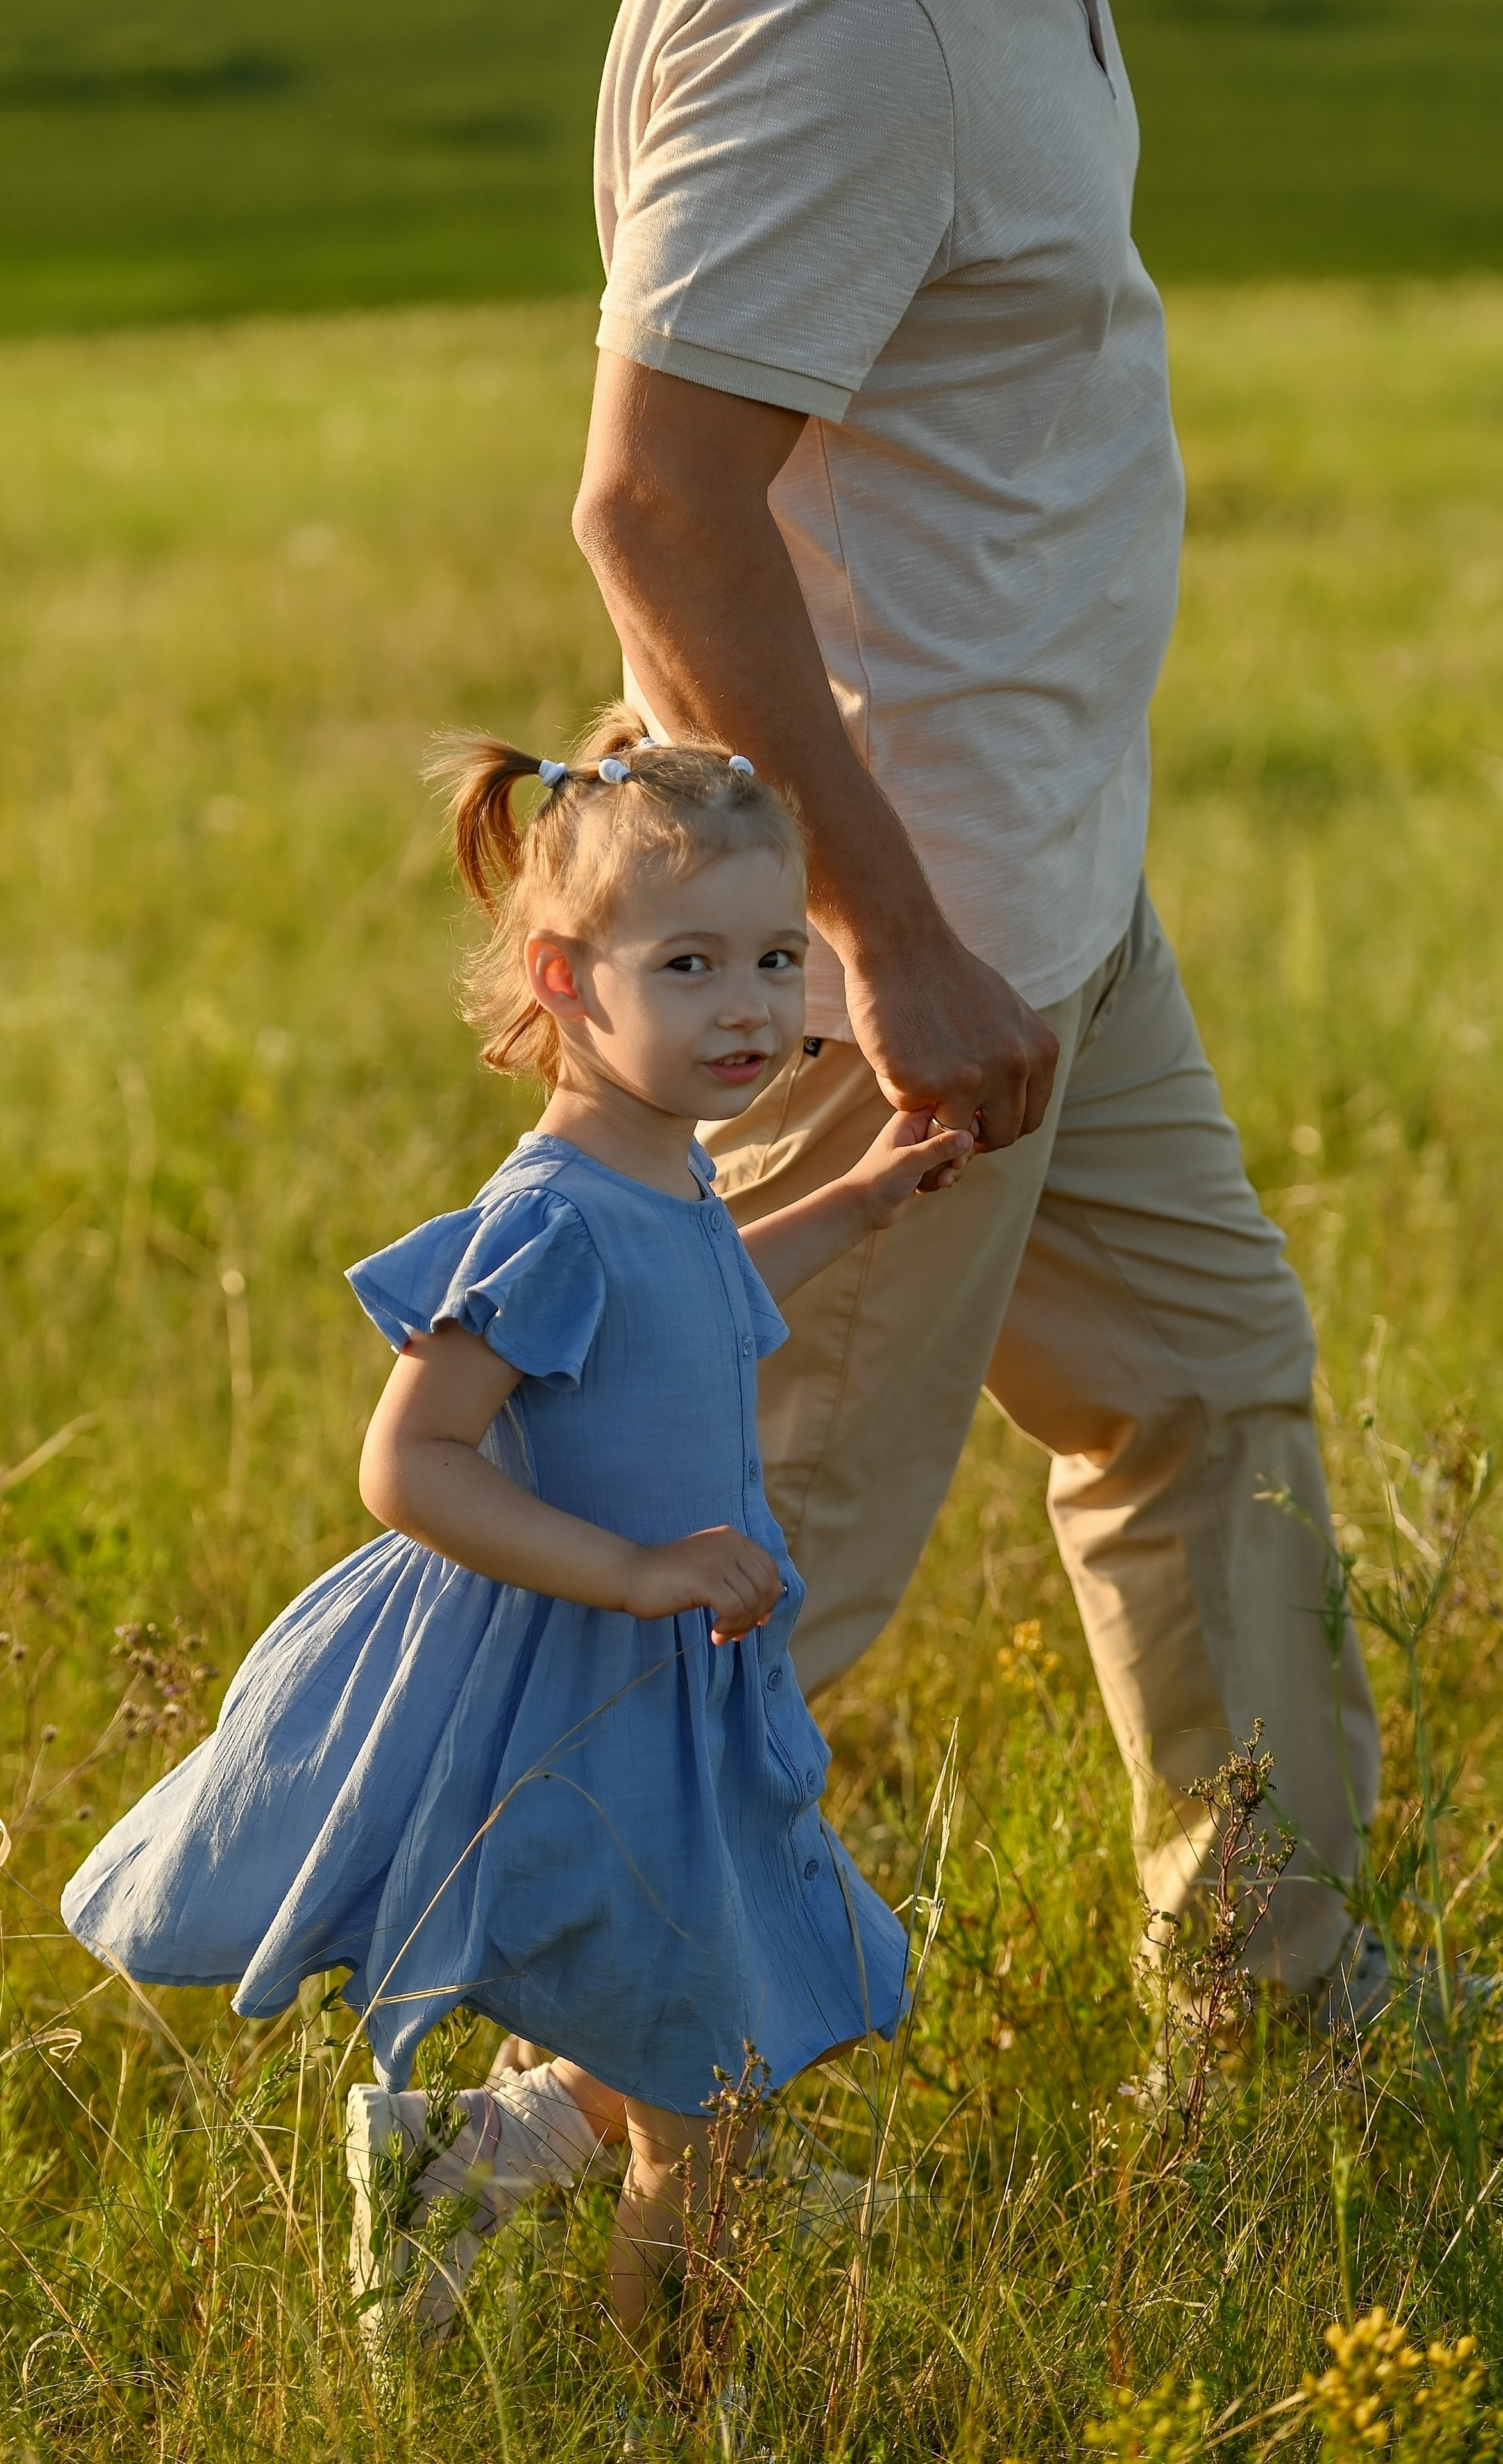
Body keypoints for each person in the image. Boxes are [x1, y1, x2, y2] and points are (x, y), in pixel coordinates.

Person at [570, 0, 1382, 2007]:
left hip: (1045, 904)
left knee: (1202, 1390)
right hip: (886, 968)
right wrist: (880, 933)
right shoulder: (859, 26)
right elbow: (658, 499)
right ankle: (501, 2153)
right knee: (753, 1563)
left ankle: (1266, 1999)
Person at [62, 715, 972, 2335]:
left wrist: (854, 1201)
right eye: (689, 965)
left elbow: (692, 1308)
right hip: (579, 1679)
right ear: (565, 980)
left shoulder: (666, 1184)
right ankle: (672, 2409)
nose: (751, 1004)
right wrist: (629, 1570)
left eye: (775, 956)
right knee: (714, 2091)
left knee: (691, 2022)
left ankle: (469, 2159)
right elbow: (408, 1465)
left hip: (665, 1681)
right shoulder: (550, 1212)